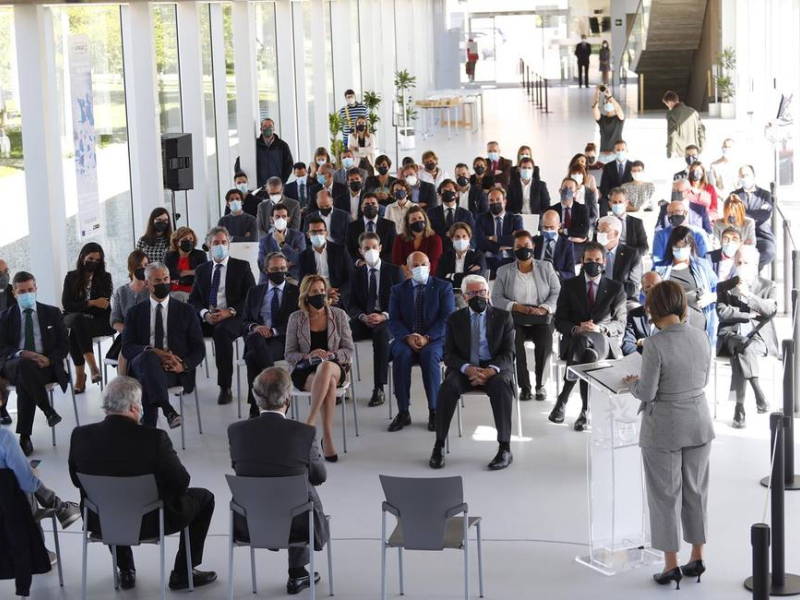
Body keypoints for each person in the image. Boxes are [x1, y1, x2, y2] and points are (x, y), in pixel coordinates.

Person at [68, 377, 217, 591]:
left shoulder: (80, 436)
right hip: (152, 521)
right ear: (134, 407)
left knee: (110, 499)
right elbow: (181, 483)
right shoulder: (155, 439)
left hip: (102, 521)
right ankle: (183, 573)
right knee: (204, 498)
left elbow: (76, 481)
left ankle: (125, 570)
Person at [623, 281, 714, 590]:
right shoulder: (701, 335)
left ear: (654, 308)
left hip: (663, 428)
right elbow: (703, 379)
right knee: (696, 491)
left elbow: (647, 392)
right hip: (699, 422)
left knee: (665, 496)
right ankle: (697, 557)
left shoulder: (654, 344)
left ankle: (671, 565)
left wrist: (632, 383)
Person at [227, 366, 330, 594]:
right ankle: (298, 572)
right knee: (300, 486)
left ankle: (298, 571)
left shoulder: (236, 431)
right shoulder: (304, 433)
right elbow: (319, 476)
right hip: (299, 526)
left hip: (251, 522)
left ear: (256, 397)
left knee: (283, 483)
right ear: (288, 397)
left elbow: (239, 469)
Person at [430, 275, 516, 470]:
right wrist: (467, 368)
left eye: (482, 292)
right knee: (447, 387)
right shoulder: (454, 319)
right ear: (464, 296)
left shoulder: (503, 317)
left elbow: (509, 353)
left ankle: (505, 448)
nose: (478, 296)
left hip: (494, 368)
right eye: (473, 293)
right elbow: (448, 354)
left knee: (502, 387)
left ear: (488, 293)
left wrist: (490, 370)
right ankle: (439, 445)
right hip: (465, 367)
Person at [549, 242, 627, 431]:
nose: (594, 263)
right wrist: (576, 329)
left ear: (604, 261)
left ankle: (563, 399)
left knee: (585, 341)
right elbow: (559, 320)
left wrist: (599, 328)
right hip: (575, 342)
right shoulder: (569, 285)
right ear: (582, 261)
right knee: (587, 355)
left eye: (597, 260)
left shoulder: (616, 288)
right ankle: (585, 411)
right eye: (589, 260)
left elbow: (620, 323)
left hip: (603, 341)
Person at [123, 263, 204, 428]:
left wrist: (182, 365)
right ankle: (167, 409)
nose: (164, 283)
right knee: (148, 357)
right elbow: (127, 348)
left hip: (172, 370)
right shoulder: (134, 313)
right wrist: (153, 351)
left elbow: (199, 348)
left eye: (166, 279)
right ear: (147, 284)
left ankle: (150, 431)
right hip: (141, 364)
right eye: (158, 280)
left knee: (148, 381)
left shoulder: (186, 311)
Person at [285, 275, 354, 461]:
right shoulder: (296, 318)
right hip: (305, 370)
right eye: (315, 291)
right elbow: (289, 354)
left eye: (322, 291)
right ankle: (328, 438)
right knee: (328, 384)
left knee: (325, 368)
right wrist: (309, 355)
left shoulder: (338, 315)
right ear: (306, 295)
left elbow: (349, 350)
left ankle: (310, 422)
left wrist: (331, 355)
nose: (320, 295)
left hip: (334, 365)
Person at [0, 271, 69, 456]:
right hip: (15, 365)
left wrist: (50, 359)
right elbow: (2, 348)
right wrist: (22, 353)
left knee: (26, 380)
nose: (27, 294)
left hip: (45, 366)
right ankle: (47, 410)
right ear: (14, 293)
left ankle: (25, 437)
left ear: (36, 289)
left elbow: (64, 345)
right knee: (24, 366)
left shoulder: (52, 313)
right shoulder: (4, 317)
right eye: (22, 291)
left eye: (30, 290)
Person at [387, 252, 454, 433]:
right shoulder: (398, 290)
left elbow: (447, 318)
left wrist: (427, 337)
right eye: (415, 265)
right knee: (400, 354)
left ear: (430, 266)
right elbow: (393, 320)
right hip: (406, 338)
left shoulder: (443, 287)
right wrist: (407, 337)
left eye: (423, 264)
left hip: (435, 339)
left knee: (429, 356)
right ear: (408, 269)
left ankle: (434, 411)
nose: (420, 268)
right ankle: (403, 412)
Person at [189, 227, 255, 405]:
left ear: (229, 244)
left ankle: (225, 387)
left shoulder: (241, 266)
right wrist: (204, 314)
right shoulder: (202, 269)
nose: (220, 246)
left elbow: (251, 297)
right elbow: (193, 299)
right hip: (209, 315)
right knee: (184, 327)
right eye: (216, 243)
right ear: (209, 246)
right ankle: (185, 378)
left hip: (234, 316)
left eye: (223, 242)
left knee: (221, 332)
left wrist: (229, 311)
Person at [492, 231, 560, 401]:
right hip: (516, 317)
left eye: (527, 246)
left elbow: (557, 293)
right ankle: (524, 387)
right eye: (519, 247)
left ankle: (541, 385)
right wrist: (516, 306)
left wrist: (544, 308)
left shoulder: (546, 267)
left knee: (545, 340)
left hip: (541, 317)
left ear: (533, 246)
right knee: (514, 343)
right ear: (513, 249)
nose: (524, 249)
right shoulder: (503, 271)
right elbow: (496, 298)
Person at [716, 245, 777, 428]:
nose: (742, 266)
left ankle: (739, 407)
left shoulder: (768, 285)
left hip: (758, 337)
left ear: (756, 264)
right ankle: (759, 394)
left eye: (746, 263)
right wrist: (748, 315)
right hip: (731, 336)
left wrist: (749, 296)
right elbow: (722, 312)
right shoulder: (724, 286)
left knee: (741, 352)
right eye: (739, 262)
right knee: (742, 345)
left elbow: (770, 310)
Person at [348, 233, 403, 407]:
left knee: (380, 336)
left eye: (373, 247)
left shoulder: (394, 271)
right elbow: (351, 304)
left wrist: (383, 316)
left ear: (380, 248)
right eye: (366, 248)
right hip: (364, 318)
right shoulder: (356, 274)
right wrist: (363, 316)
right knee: (341, 333)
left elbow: (402, 302)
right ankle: (339, 383)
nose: (370, 250)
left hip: (388, 318)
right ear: (360, 251)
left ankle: (379, 388)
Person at [242, 252, 300, 418]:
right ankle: (278, 390)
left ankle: (255, 408)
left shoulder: (296, 292)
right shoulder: (254, 292)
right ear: (266, 270)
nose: (279, 272)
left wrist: (273, 331)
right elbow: (244, 321)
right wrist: (255, 327)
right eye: (275, 269)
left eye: (282, 268)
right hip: (258, 339)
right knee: (254, 337)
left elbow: (297, 322)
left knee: (252, 357)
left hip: (282, 340)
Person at [61, 242, 115, 393]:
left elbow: (103, 305)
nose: (94, 262)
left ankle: (80, 376)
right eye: (90, 259)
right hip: (74, 318)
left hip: (98, 321)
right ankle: (93, 367)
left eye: (97, 260)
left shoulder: (105, 278)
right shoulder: (71, 277)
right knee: (78, 321)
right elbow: (67, 305)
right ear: (82, 257)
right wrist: (92, 302)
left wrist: (83, 305)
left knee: (75, 331)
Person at [653, 226, 718, 345]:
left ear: (691, 246)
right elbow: (648, 294)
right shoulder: (660, 269)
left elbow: (719, 289)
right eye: (677, 247)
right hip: (670, 317)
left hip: (696, 316)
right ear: (671, 247)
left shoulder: (702, 266)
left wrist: (711, 297)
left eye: (684, 247)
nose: (680, 250)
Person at [109, 250, 151, 376]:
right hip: (127, 335)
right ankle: (123, 383)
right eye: (139, 266)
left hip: (149, 334)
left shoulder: (153, 289)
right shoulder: (121, 291)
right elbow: (114, 319)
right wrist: (128, 331)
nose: (142, 269)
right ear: (131, 268)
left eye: (145, 265)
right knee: (127, 348)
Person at [298, 216, 352, 309]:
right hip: (315, 296)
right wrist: (322, 294)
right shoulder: (303, 256)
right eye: (313, 232)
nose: (317, 235)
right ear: (308, 235)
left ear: (326, 233)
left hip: (338, 296)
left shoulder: (340, 250)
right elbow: (303, 282)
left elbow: (350, 276)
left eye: (320, 231)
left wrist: (336, 294)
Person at [474, 188, 524, 277]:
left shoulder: (515, 219)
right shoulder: (480, 219)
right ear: (488, 203)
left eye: (498, 200)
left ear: (504, 202)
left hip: (510, 259)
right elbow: (480, 242)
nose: (495, 203)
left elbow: (518, 240)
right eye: (491, 200)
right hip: (487, 260)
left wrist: (494, 238)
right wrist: (500, 246)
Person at [734, 165, 776, 270]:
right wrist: (755, 214)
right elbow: (733, 215)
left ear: (753, 176)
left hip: (761, 235)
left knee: (769, 252)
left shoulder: (765, 195)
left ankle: (751, 268)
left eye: (747, 175)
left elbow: (765, 214)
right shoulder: (734, 195)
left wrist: (743, 214)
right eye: (742, 175)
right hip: (741, 235)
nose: (744, 177)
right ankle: (749, 270)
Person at [596, 216, 643, 304]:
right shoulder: (593, 252)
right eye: (598, 230)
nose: (599, 234)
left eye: (603, 231)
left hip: (624, 300)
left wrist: (612, 296)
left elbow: (633, 286)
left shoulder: (631, 254)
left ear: (616, 234)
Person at [257, 203, 306, 283]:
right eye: (277, 216)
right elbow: (262, 264)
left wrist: (282, 243)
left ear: (288, 218)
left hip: (292, 277)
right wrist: (286, 264)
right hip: (270, 278)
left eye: (284, 216)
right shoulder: (264, 240)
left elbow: (300, 259)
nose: (281, 219)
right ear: (272, 218)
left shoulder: (298, 236)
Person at [392, 205, 443, 276]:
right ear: (408, 223)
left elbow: (433, 263)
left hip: (428, 276)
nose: (417, 221)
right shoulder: (400, 239)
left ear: (425, 220)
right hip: (406, 276)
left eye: (420, 218)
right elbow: (397, 261)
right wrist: (407, 273)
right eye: (413, 219)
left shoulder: (435, 239)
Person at [345, 193, 396, 263]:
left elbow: (393, 249)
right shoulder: (352, 226)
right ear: (361, 207)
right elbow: (348, 250)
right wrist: (358, 262)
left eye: (373, 203)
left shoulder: (389, 225)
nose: (370, 206)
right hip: (360, 266)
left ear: (378, 207)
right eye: (367, 204)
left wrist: (378, 262)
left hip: (383, 264)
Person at [437, 222, 487, 292]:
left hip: (471, 293)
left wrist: (452, 276)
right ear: (452, 239)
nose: (461, 239)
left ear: (469, 238)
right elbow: (440, 279)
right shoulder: (445, 257)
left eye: (464, 236)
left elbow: (475, 277)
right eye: (457, 237)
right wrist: (466, 274)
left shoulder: (478, 256)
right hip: (450, 293)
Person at [622, 271, 662, 355]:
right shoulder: (634, 315)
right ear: (643, 292)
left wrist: (642, 343)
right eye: (648, 288)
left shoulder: (671, 314)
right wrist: (646, 357)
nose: (653, 291)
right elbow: (627, 345)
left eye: (657, 286)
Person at [428, 179, 474, 252]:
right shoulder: (431, 213)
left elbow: (473, 236)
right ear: (440, 195)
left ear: (457, 194)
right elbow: (429, 233)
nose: (448, 193)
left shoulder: (467, 214)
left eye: (450, 190)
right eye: (444, 191)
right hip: (439, 251)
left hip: (461, 251)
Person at [164, 226, 206, 301]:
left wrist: (180, 276)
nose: (189, 242)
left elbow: (202, 275)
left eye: (191, 239)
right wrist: (191, 272)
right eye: (185, 239)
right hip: (172, 291)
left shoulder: (200, 255)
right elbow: (166, 274)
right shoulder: (170, 256)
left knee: (177, 296)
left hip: (193, 292)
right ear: (177, 242)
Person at [532, 210, 577, 280]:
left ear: (559, 226)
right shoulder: (534, 241)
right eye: (545, 227)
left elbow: (571, 273)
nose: (548, 230)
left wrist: (556, 274)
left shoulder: (567, 245)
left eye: (552, 227)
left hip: (557, 280)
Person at [663, 91, 706, 159]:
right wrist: (702, 146)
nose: (668, 107)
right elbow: (701, 129)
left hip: (679, 152)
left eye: (667, 104)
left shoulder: (672, 114)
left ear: (670, 102)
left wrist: (671, 151)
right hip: (694, 150)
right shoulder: (693, 112)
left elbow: (672, 133)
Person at [607, 188, 649, 256]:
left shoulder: (637, 223)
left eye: (620, 202)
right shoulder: (603, 222)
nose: (617, 204)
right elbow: (597, 246)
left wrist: (630, 255)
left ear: (626, 203)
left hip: (631, 257)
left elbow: (644, 247)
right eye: (615, 202)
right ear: (610, 204)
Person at [256, 117, 293, 186]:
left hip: (277, 186)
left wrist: (282, 181)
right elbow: (242, 160)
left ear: (274, 129)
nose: (268, 128)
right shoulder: (255, 145)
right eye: (265, 126)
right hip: (259, 186)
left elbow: (289, 164)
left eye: (270, 126)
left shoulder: (282, 145)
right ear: (261, 129)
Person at [599, 139, 633, 210]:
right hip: (612, 200)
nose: (620, 152)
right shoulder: (608, 166)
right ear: (614, 151)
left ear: (627, 150)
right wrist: (612, 199)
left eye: (623, 150)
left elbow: (635, 186)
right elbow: (604, 187)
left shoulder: (633, 166)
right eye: (618, 150)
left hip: (628, 201)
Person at [592, 85, 625, 158]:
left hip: (617, 153)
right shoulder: (601, 119)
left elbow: (618, 109)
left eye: (610, 102)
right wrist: (597, 92)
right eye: (606, 102)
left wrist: (610, 96)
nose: (608, 103)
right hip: (604, 154)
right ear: (604, 105)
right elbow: (594, 108)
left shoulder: (619, 119)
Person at [555, 177, 589, 244]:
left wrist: (563, 231)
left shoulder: (582, 209)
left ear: (575, 193)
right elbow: (553, 232)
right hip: (558, 244)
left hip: (577, 245)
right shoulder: (553, 210)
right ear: (560, 191)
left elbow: (584, 232)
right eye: (565, 188)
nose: (567, 191)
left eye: (571, 188)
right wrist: (571, 238)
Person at [0, 259, 13, 423]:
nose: (4, 276)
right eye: (0, 273)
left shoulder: (13, 291)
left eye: (6, 271)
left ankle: (2, 408)